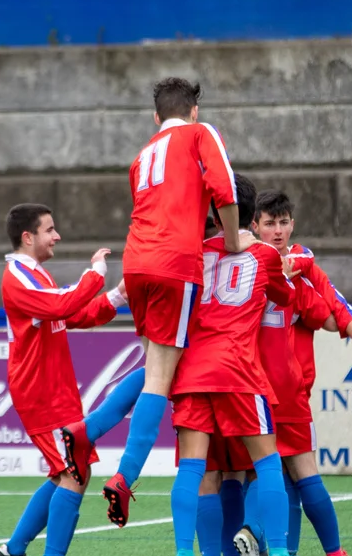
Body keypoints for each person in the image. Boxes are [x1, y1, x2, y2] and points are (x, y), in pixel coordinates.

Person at [104, 77, 254, 528]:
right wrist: (233, 241)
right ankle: (125, 476)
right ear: (193, 111)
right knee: (160, 377)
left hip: (135, 263)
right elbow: (224, 188)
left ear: (156, 116)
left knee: (155, 366)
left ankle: (88, 431)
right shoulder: (200, 133)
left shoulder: (142, 156)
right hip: (174, 263)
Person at [166, 175, 316, 556]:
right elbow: (287, 297)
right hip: (239, 370)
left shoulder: (194, 253)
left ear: (215, 214)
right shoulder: (265, 255)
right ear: (253, 217)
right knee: (267, 463)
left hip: (192, 371)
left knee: (194, 468)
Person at [0, 203, 144, 556]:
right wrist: (96, 273)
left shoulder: (33, 272)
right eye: (49, 230)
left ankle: (14, 550)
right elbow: (63, 304)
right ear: (28, 237)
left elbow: (72, 315)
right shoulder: (17, 276)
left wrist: (117, 296)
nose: (56, 236)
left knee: (69, 470)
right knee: (75, 470)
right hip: (41, 392)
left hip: (53, 389)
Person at [253, 189, 352, 556]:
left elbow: (333, 302)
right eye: (270, 223)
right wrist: (302, 269)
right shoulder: (297, 276)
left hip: (248, 386)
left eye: (283, 222)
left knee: (265, 476)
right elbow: (329, 314)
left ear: (293, 224)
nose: (278, 230)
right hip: (286, 390)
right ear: (254, 226)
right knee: (303, 474)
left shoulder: (244, 264)